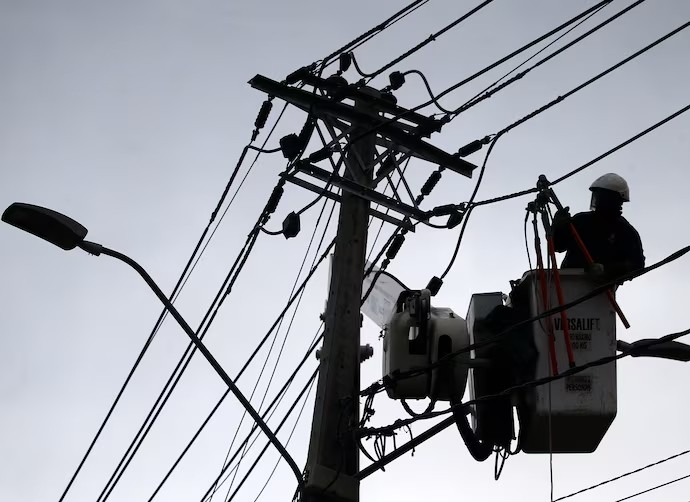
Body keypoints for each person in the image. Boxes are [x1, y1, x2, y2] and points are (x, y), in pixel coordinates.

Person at [552, 173, 645, 283]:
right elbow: (557, 245)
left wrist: (607, 270)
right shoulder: (581, 220)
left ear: (617, 200)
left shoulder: (625, 231)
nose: (598, 200)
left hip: (600, 291)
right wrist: (558, 226)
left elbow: (637, 265)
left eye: (604, 197)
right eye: (597, 196)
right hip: (569, 283)